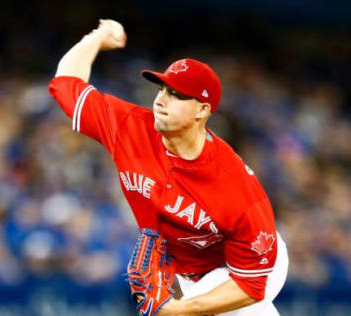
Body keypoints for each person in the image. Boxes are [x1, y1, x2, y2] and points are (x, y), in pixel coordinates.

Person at [48, 19, 288, 316]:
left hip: (244, 267)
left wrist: (178, 310)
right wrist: (95, 38)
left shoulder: (233, 187)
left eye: (176, 94)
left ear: (203, 110)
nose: (161, 100)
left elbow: (252, 285)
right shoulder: (130, 127)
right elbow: (66, 82)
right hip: (191, 274)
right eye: (162, 89)